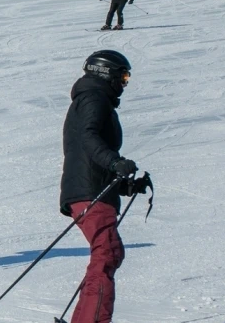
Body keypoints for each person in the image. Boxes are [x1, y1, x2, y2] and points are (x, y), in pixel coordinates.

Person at [59, 50, 139, 323]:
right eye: (124, 76)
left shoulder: (92, 98)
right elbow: (88, 138)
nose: (125, 83)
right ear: (108, 73)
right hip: (89, 192)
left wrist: (125, 185)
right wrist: (115, 162)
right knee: (106, 253)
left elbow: (90, 151)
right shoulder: (94, 98)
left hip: (91, 189)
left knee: (106, 254)